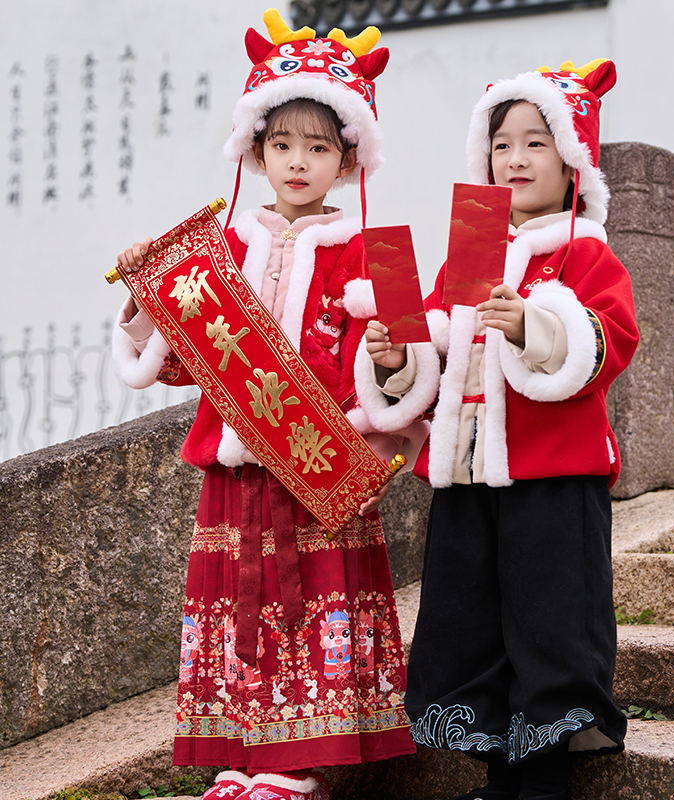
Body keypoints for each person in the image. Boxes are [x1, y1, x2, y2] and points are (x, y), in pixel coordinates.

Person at [112, 10, 420, 800]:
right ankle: (240, 756)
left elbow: (415, 374)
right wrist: (147, 298)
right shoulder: (217, 253)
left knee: (314, 606)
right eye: (281, 144)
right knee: (234, 605)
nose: (297, 161)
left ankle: (300, 764)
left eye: (318, 147)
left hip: (321, 466)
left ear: (348, 158)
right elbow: (177, 364)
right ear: (255, 150)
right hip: (237, 468)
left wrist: (392, 359)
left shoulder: (381, 251)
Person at [357, 60, 639, 800]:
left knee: (552, 620)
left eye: (536, 143)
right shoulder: (472, 247)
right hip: (469, 470)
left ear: (573, 158)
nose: (514, 158)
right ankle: (499, 772)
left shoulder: (585, 251)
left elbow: (611, 339)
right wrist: (395, 356)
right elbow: (430, 355)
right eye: (502, 143)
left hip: (554, 472)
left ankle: (543, 778)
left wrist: (535, 323)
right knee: (468, 616)